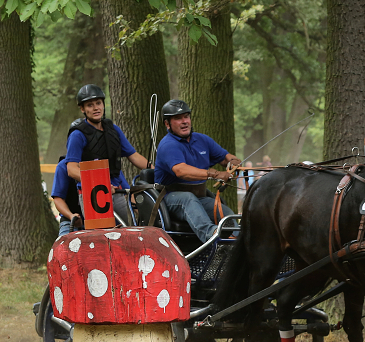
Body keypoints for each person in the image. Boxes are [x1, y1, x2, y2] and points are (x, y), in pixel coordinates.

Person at [154, 99, 241, 242]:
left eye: (186, 116)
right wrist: (214, 173)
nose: (184, 121)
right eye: (178, 118)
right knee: (188, 199)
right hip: (170, 198)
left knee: (226, 212)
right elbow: (181, 171)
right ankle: (212, 237)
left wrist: (233, 162)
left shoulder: (202, 140)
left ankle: (236, 241)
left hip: (199, 197)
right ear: (167, 124)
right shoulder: (167, 145)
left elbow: (225, 157)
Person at [65, 84, 148, 224]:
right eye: (90, 105)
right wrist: (100, 184)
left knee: (131, 229)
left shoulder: (113, 130)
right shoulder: (78, 135)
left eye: (98, 103)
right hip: (93, 195)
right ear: (83, 109)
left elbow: (134, 156)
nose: (96, 108)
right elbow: (71, 169)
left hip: (118, 192)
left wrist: (157, 170)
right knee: (103, 235)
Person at [50, 157, 82, 236]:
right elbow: (58, 199)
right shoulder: (63, 166)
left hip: (99, 221)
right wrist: (71, 216)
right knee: (64, 245)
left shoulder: (104, 163)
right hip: (70, 221)